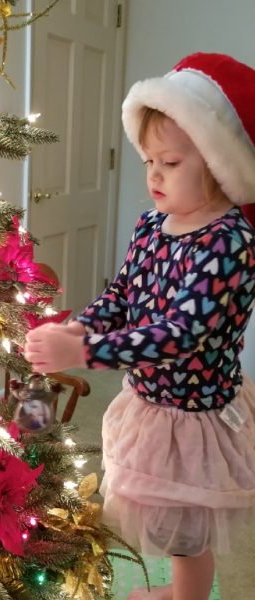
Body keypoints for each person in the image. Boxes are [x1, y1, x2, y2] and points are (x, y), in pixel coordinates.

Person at [24, 53, 255, 600]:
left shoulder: (231, 244)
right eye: (149, 160)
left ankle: (186, 597)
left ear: (217, 163)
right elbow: (123, 294)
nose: (153, 174)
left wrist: (85, 354)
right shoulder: (152, 225)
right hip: (149, 403)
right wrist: (82, 329)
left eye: (170, 162)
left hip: (193, 416)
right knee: (170, 523)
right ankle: (179, 590)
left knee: (190, 531)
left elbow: (179, 335)